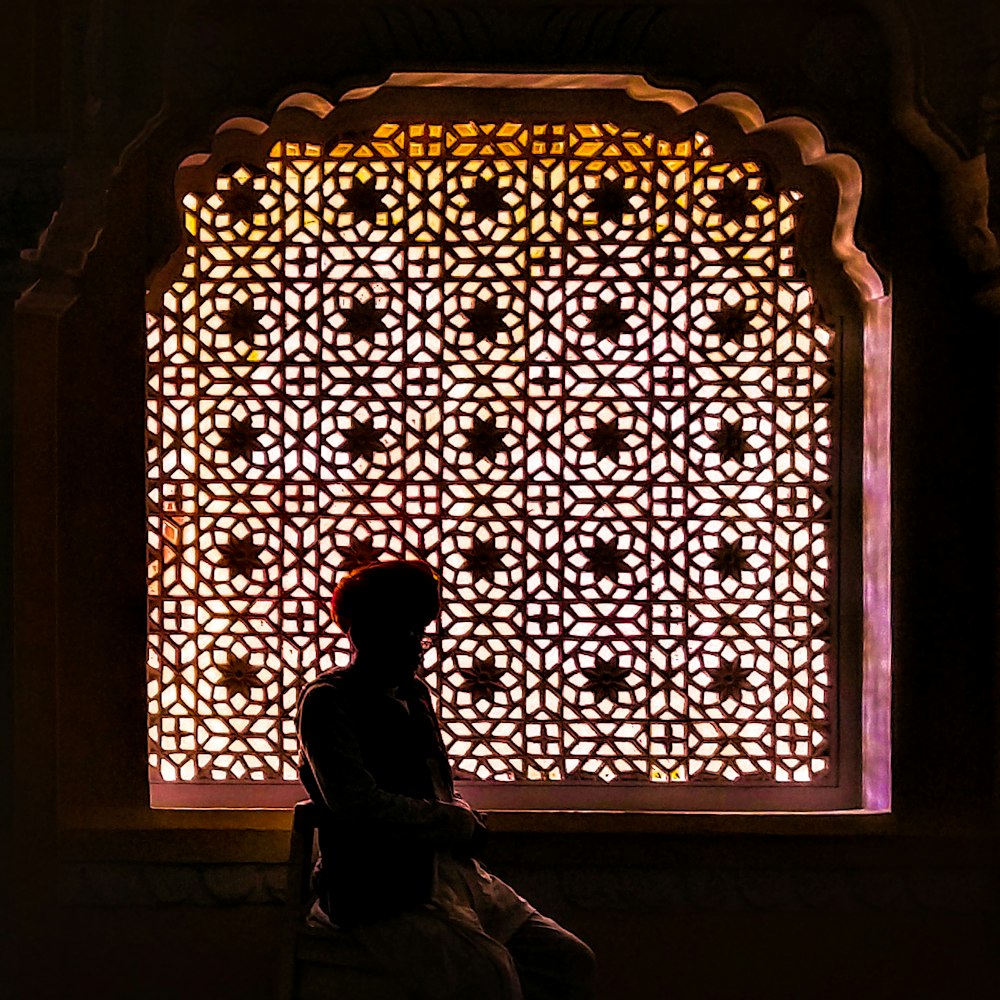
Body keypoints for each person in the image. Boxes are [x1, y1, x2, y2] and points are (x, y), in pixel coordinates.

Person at [297, 558, 596, 1000]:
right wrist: (453, 822)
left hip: (451, 874)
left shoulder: (414, 696)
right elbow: (357, 803)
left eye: (420, 632)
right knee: (488, 977)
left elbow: (435, 786)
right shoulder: (328, 702)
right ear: (365, 632)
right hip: (378, 890)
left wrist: (459, 817)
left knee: (567, 961)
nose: (419, 647)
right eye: (407, 631)